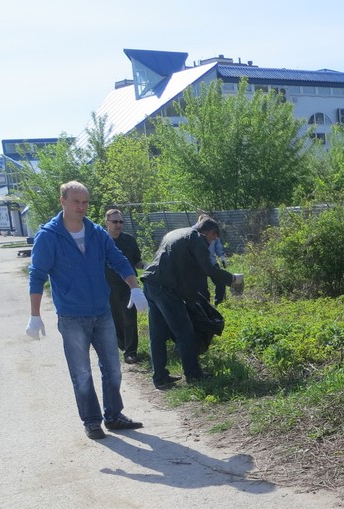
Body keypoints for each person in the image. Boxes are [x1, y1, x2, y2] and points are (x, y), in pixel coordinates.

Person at [26, 181, 148, 440]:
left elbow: (118, 259)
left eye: (85, 202)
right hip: (72, 316)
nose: (81, 207)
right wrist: (35, 314)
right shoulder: (49, 236)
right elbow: (37, 275)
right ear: (63, 202)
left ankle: (113, 416)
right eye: (76, 201)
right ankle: (92, 421)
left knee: (113, 368)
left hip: (102, 313)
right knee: (81, 373)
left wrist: (134, 287)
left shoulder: (96, 233)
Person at [141, 216, 226, 389]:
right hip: (166, 290)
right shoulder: (197, 239)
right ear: (210, 232)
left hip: (150, 285)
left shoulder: (176, 233)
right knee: (185, 331)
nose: (213, 241)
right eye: (214, 237)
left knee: (157, 334)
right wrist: (232, 279)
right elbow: (208, 268)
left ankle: (160, 377)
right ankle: (194, 375)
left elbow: (182, 267)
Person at [103, 207, 145, 364]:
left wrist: (148, 266)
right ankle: (120, 344)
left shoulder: (129, 240)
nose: (118, 225)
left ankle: (130, 351)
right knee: (114, 319)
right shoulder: (101, 240)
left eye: (121, 221)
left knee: (129, 319)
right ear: (107, 222)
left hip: (128, 286)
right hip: (107, 286)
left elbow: (137, 261)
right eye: (115, 221)